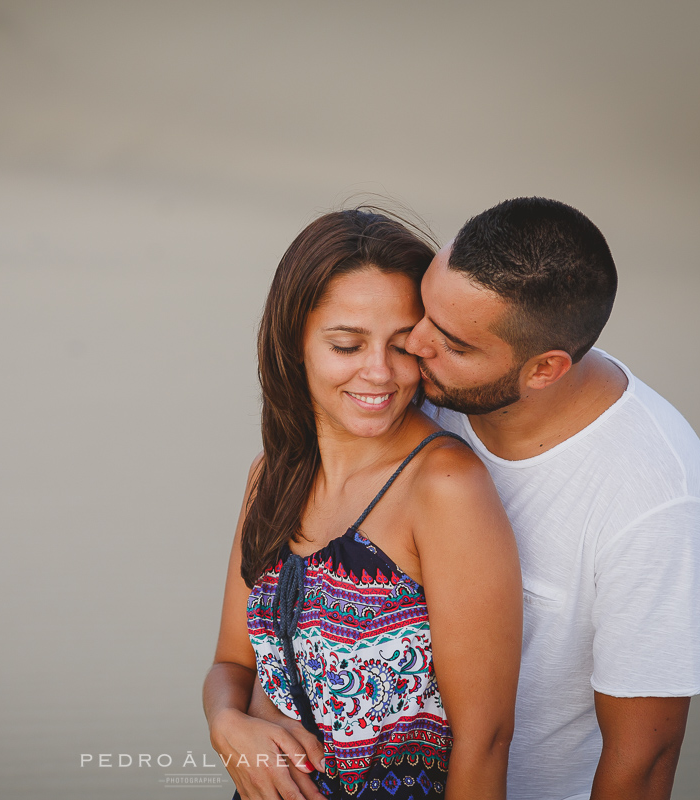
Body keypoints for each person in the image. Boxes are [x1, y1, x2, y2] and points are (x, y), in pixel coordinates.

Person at [203, 209, 523, 800]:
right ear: (293, 341)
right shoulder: (272, 476)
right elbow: (232, 664)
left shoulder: (444, 486)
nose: (379, 373)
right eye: (347, 344)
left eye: (404, 346)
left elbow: (486, 739)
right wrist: (227, 725)